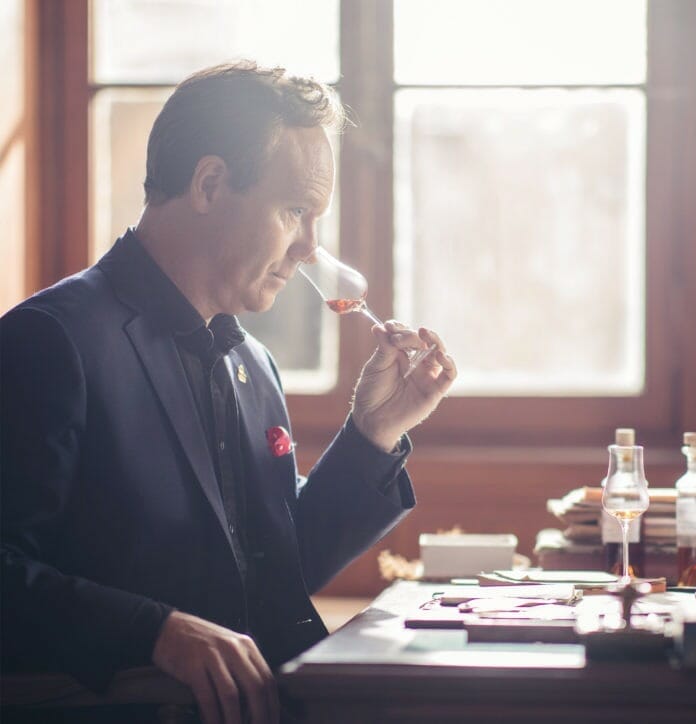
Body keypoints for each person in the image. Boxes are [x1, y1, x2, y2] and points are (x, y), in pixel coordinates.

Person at [0, 61, 456, 724]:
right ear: (211, 184)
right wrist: (156, 632)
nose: (308, 248)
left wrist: (371, 435)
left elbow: (272, 574)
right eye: (296, 210)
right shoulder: (49, 341)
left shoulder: (254, 364)